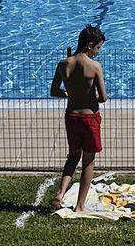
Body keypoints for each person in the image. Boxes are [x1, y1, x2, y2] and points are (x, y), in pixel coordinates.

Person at [49, 25, 109, 212]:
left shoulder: (63, 64)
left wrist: (70, 93)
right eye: (98, 48)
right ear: (90, 45)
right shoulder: (94, 66)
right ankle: (80, 205)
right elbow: (103, 97)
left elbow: (54, 91)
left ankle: (60, 193)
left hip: (71, 116)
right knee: (88, 161)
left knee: (73, 156)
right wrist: (92, 97)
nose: (98, 52)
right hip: (89, 119)